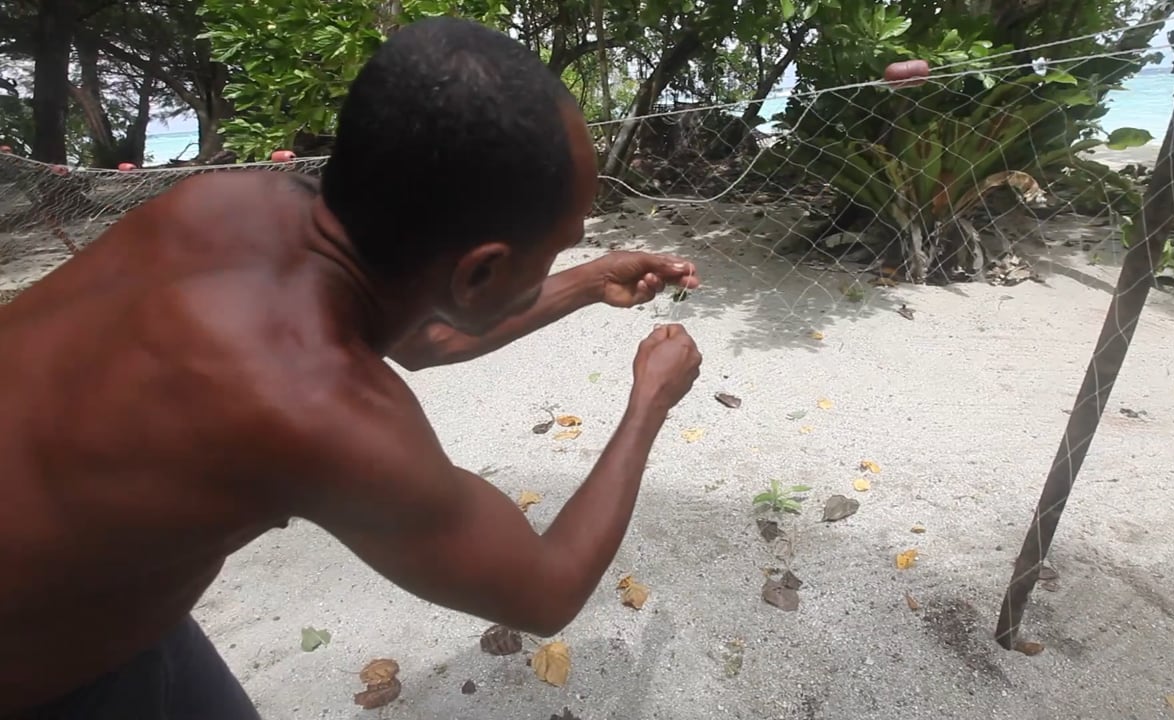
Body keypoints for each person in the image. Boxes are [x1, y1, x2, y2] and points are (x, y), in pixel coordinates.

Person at [0, 17, 702, 719]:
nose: (567, 254)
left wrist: (589, 280)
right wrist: (650, 401)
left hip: (100, 595)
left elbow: (423, 339)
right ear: (479, 273)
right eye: (561, 245)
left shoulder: (231, 201)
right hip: (46, 678)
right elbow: (545, 592)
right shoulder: (313, 409)